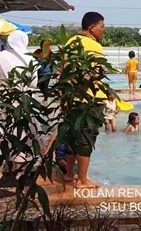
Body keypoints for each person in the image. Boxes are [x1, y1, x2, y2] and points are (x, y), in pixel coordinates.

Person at [63, 12, 107, 189]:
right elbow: (94, 72)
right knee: (86, 137)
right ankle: (82, 179)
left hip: (71, 96)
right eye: (101, 27)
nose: (103, 30)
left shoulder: (69, 42)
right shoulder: (93, 46)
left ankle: (68, 174)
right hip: (90, 98)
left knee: (72, 135)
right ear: (91, 28)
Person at [35, 39, 53, 104]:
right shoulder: (37, 52)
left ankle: (46, 99)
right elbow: (32, 60)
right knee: (40, 85)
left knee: (45, 86)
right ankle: (46, 97)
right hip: (39, 72)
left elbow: (53, 63)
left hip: (47, 73)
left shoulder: (50, 53)